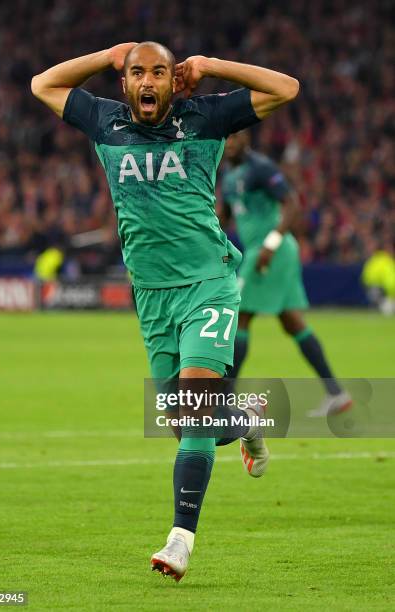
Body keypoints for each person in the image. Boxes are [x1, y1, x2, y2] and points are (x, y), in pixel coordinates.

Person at [31, 40, 299, 581]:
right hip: (152, 295)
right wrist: (106, 55)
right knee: (184, 424)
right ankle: (246, 421)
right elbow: (44, 85)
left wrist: (211, 66)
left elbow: (287, 88)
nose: (148, 81)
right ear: (125, 83)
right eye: (137, 73)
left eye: (159, 72)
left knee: (195, 409)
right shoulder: (104, 122)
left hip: (209, 283)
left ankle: (180, 539)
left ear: (174, 81)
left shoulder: (205, 116)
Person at [221, 131, 352, 416]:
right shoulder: (229, 175)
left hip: (271, 250)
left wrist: (271, 243)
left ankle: (224, 400)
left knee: (239, 315)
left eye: (234, 137)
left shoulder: (260, 167)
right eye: (225, 138)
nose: (229, 143)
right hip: (260, 251)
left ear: (246, 138)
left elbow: (292, 203)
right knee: (292, 322)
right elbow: (226, 214)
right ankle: (336, 393)